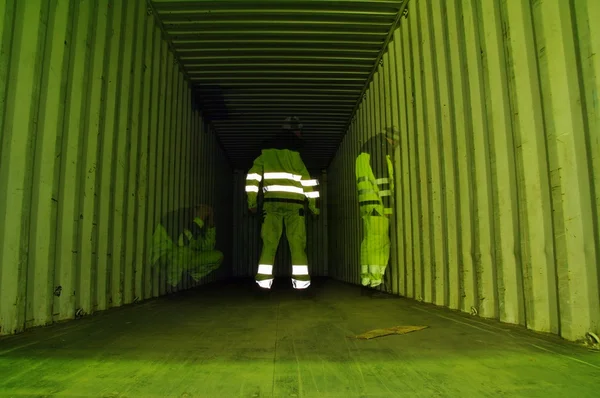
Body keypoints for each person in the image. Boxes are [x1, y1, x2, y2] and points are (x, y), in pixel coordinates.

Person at [245, 116, 320, 290]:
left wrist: (252, 202)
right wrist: (314, 207)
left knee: (269, 244)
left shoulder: (265, 153)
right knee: (297, 245)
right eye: (299, 130)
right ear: (294, 131)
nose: (301, 133)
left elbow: (252, 178)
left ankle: (263, 283)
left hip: (271, 206)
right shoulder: (298, 155)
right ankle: (301, 284)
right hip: (296, 207)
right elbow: (307, 182)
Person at [355, 127, 400, 292]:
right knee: (380, 243)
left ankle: (367, 278)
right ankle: (376, 281)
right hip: (377, 205)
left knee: (369, 242)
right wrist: (388, 207)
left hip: (366, 204)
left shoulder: (364, 152)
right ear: (391, 140)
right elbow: (382, 180)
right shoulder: (379, 151)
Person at [150, 204, 224, 289]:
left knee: (218, 256)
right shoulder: (176, 216)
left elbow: (205, 248)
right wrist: (198, 220)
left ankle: (190, 278)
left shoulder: (195, 227)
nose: (204, 217)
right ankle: (171, 285)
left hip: (181, 257)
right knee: (182, 253)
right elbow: (182, 241)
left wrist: (211, 226)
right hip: (161, 258)